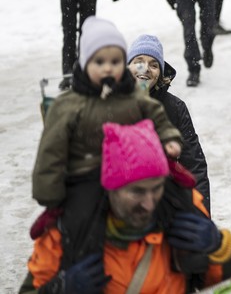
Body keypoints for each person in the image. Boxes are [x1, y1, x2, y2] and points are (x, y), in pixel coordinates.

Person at [32, 17, 182, 268]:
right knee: (84, 230)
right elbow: (51, 153)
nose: (107, 68)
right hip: (87, 179)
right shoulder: (69, 104)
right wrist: (51, 197)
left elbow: (157, 114)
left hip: (133, 180)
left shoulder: (133, 96)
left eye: (114, 62)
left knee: (170, 213)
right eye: (99, 61)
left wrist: (169, 138)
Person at [22, 118, 231, 292]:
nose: (149, 203)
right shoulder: (67, 228)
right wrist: (59, 290)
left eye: (156, 188)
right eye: (137, 191)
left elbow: (224, 288)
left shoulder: (182, 207)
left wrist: (219, 252)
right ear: (109, 188)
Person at [128, 34, 212, 212]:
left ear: (160, 74)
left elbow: (194, 166)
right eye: (139, 61)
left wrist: (201, 216)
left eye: (154, 64)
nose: (146, 69)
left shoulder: (174, 108)